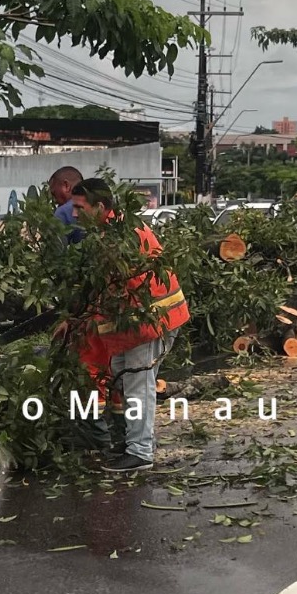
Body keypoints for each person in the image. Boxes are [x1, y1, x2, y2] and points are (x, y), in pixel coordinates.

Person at [69, 178, 190, 472]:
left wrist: (80, 318)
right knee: (127, 382)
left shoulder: (118, 238)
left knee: (138, 386)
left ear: (100, 207)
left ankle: (140, 452)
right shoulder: (112, 231)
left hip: (148, 323)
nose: (73, 214)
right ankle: (135, 442)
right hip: (142, 323)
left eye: (79, 207)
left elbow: (113, 291)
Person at [48, 165, 85, 244]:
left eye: (54, 193)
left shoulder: (63, 212)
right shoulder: (99, 204)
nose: (54, 200)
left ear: (66, 185)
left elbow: (57, 250)